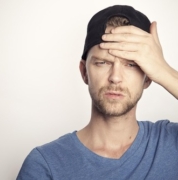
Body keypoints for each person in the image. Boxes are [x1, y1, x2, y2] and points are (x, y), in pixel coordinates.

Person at [16, 5, 178, 180]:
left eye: (131, 64)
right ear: (84, 72)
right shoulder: (45, 164)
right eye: (102, 63)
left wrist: (164, 71)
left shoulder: (170, 143)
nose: (115, 77)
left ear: (148, 78)